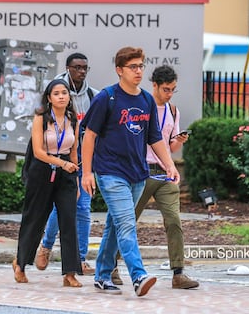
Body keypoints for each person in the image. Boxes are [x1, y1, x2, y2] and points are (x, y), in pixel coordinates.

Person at [80, 47, 181, 297]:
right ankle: (138, 276)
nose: (138, 71)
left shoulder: (146, 99)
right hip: (110, 172)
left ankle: (102, 275)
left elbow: (155, 138)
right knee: (127, 224)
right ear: (119, 70)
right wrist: (87, 172)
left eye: (141, 66)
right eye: (133, 66)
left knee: (115, 225)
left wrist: (169, 164)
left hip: (138, 174)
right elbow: (89, 136)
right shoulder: (107, 97)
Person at [132, 65, 199, 289]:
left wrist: (179, 140)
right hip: (140, 171)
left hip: (164, 173)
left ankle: (178, 273)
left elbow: (170, 147)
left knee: (174, 221)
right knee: (126, 222)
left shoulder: (172, 111)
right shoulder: (141, 106)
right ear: (155, 86)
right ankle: (110, 267)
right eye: (166, 89)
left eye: (173, 90)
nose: (169, 94)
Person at [12, 78, 83, 287]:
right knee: (35, 219)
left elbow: (74, 151)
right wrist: (62, 164)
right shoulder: (41, 119)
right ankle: (21, 264)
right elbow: (38, 152)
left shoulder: (73, 119)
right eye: (57, 93)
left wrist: (76, 181)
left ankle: (70, 273)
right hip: (43, 171)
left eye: (64, 93)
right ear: (49, 98)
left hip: (66, 173)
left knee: (69, 221)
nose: (61, 96)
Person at [35, 53, 99, 275]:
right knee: (61, 206)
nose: (81, 71)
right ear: (68, 68)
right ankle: (46, 245)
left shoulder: (93, 95)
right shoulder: (57, 90)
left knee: (83, 208)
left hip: (84, 157)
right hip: (58, 156)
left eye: (85, 68)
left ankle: (80, 259)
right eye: (77, 67)